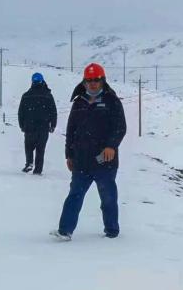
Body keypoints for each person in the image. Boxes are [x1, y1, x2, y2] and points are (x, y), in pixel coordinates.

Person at [51, 63, 126, 241]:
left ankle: (112, 231)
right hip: (81, 161)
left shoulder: (112, 101)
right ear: (84, 82)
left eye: (96, 80)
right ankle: (65, 231)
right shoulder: (79, 102)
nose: (93, 83)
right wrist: (69, 155)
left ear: (103, 80)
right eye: (89, 80)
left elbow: (120, 127)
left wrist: (111, 146)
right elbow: (71, 130)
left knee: (108, 198)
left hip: (104, 161)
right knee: (74, 196)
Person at [17, 72, 57, 175]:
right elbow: (53, 111)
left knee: (28, 146)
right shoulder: (48, 95)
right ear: (42, 81)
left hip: (29, 127)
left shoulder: (26, 95)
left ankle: (29, 163)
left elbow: (21, 112)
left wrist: (22, 125)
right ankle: (38, 170)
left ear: (32, 82)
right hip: (43, 127)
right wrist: (53, 125)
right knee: (40, 149)